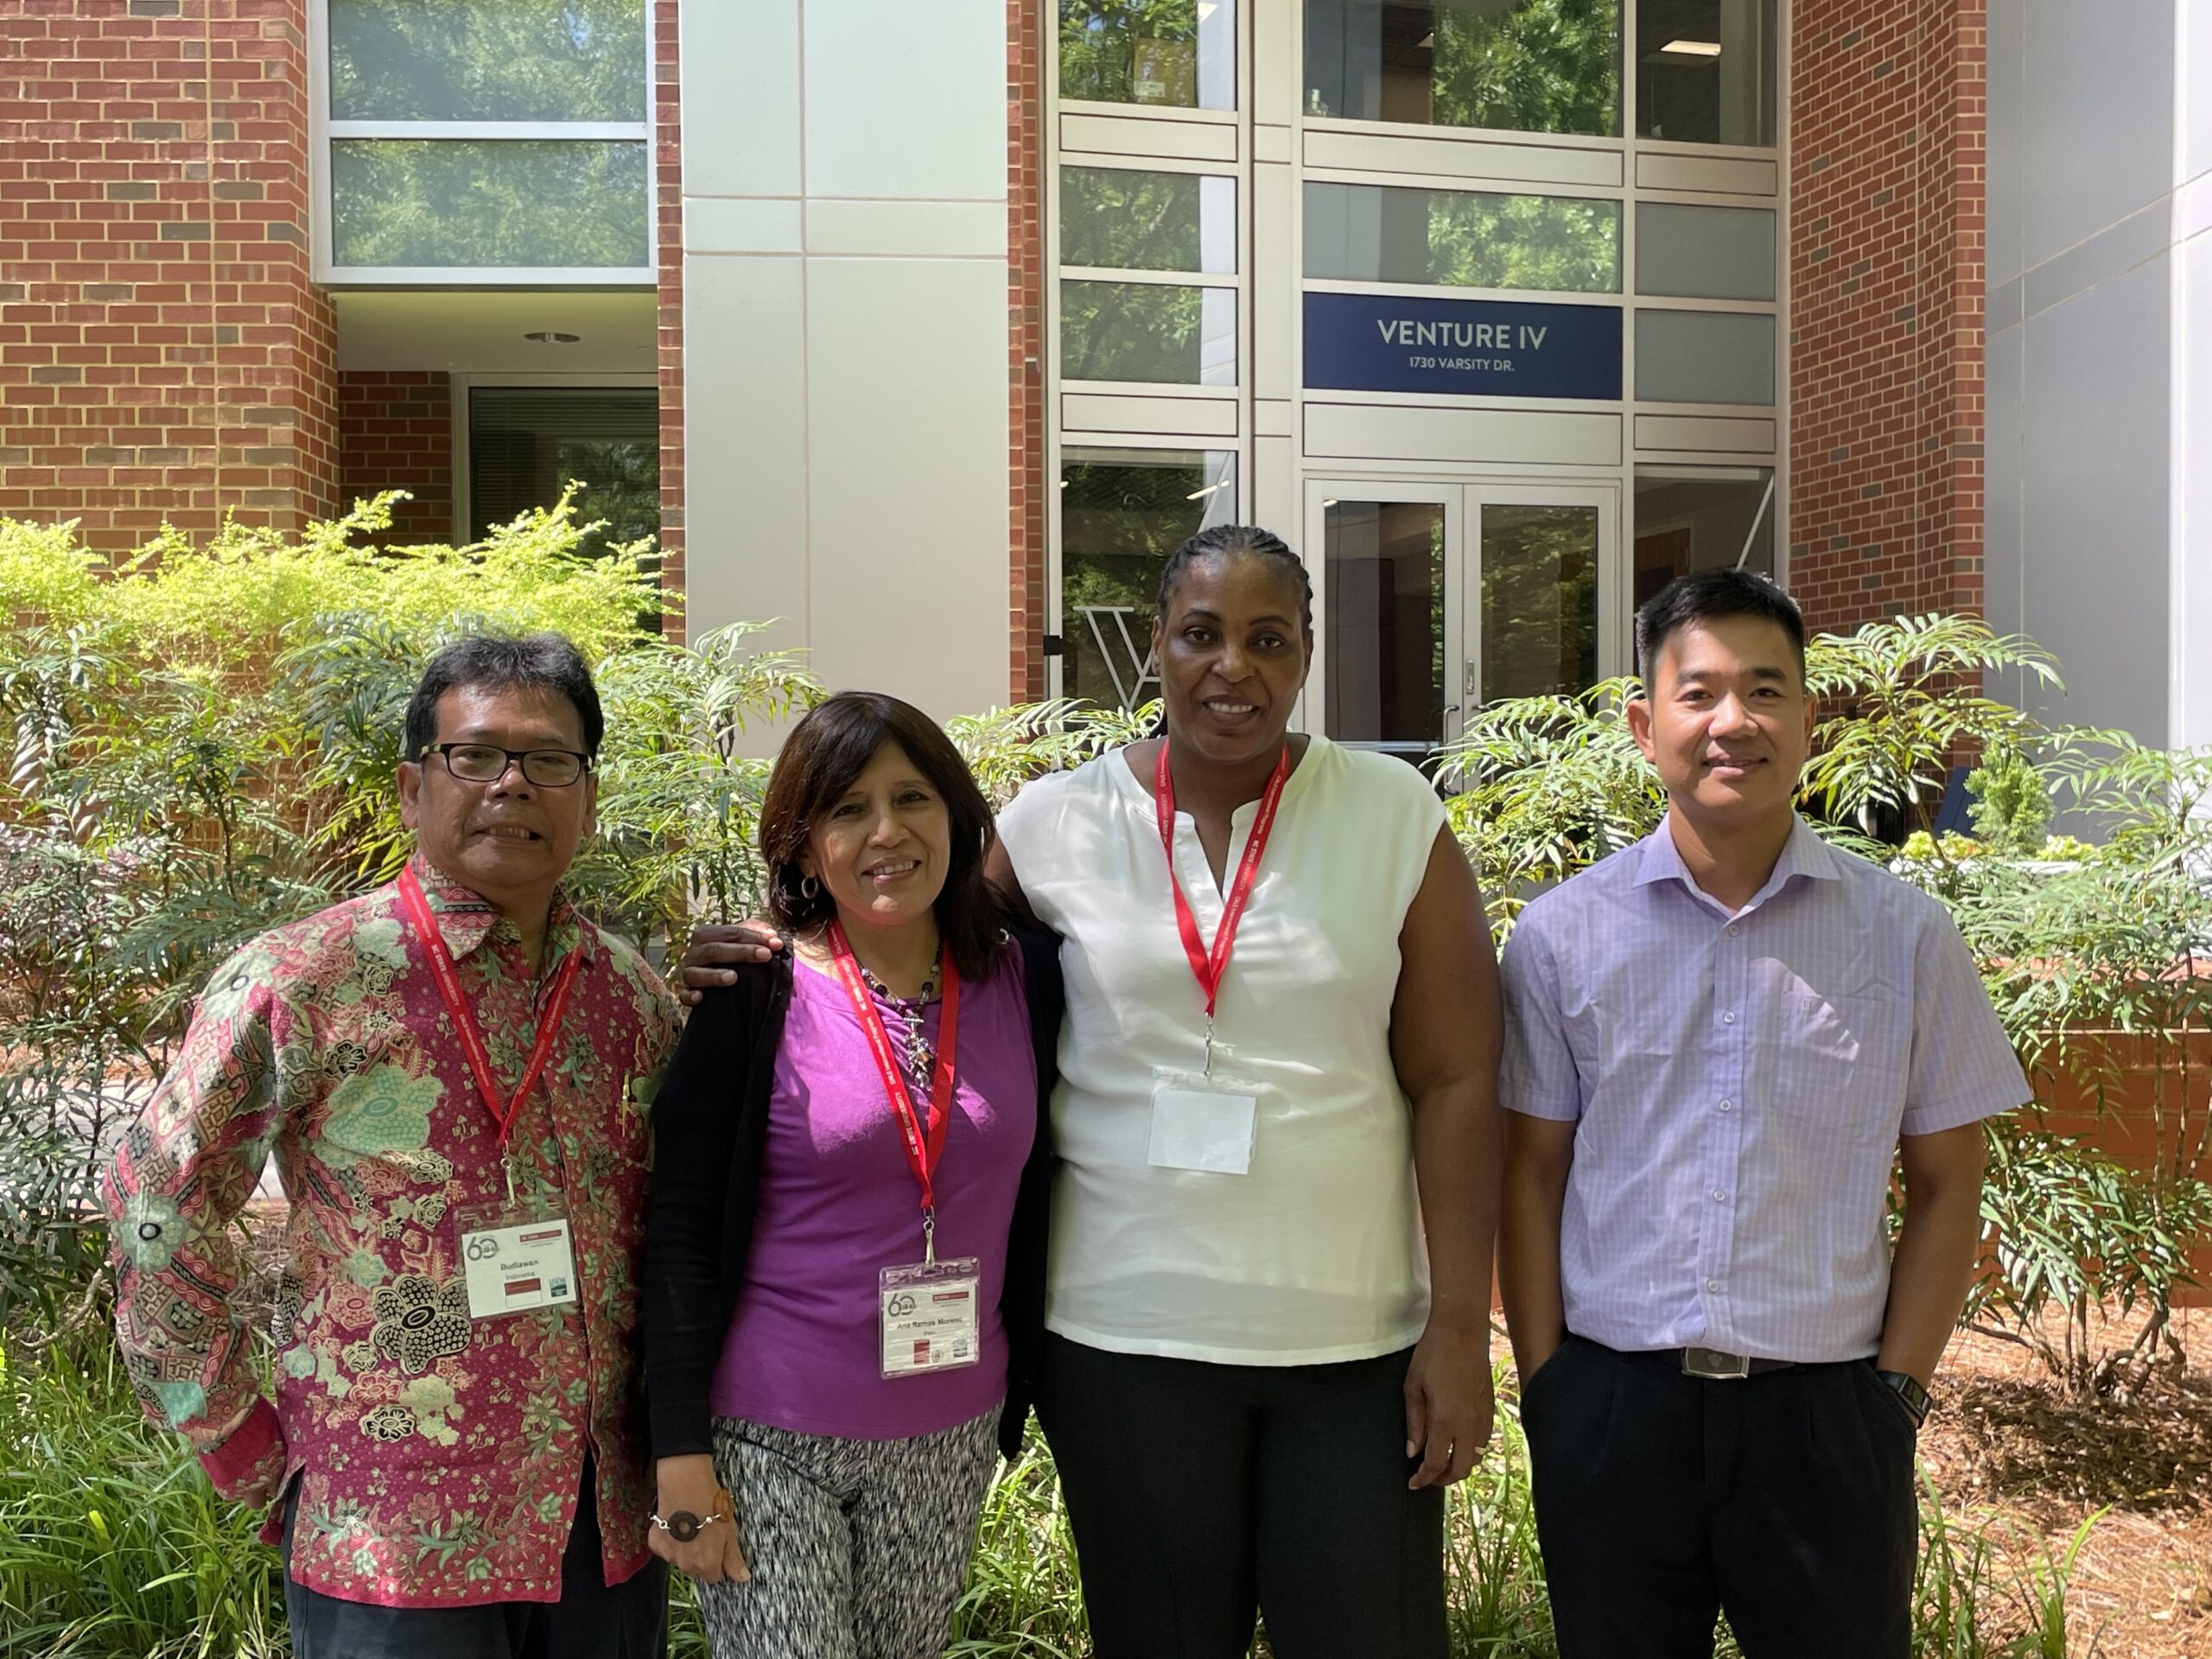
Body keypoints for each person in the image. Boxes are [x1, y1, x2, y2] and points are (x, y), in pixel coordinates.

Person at [682, 524, 1503, 1659]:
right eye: (1202, 635)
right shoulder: (1054, 821)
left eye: (1269, 640)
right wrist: (769, 945)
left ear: (1306, 655)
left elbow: (1459, 1076)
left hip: (1351, 1346)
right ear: (1155, 649)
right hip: (1123, 1340)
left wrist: (1460, 1327)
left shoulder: (1393, 814)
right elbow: (906, 932)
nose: (1235, 667)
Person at [101, 633, 677, 1659]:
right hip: (391, 1532)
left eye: (549, 759)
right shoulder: (306, 977)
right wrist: (230, 1432)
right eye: (476, 755)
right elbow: (159, 1195)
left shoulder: (628, 995)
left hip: (600, 1522)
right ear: (414, 790)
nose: (512, 784)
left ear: (587, 794)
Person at [1496, 569, 2029, 1659]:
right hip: (1613, 1408)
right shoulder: (1561, 937)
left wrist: (1898, 1399)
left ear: (1806, 720)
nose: (1731, 722)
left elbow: (1946, 1182)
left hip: (1827, 1418)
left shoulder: (1904, 938)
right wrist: (1548, 1386)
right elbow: (1531, 1172)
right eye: (1697, 694)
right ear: (1645, 726)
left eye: (1765, 690)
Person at [641, 691, 1063, 1659]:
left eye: (912, 799)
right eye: (846, 809)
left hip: (950, 1426)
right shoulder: (751, 991)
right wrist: (679, 1454)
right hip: (769, 1432)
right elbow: (680, 1230)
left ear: (956, 817)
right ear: (799, 845)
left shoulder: (1026, 979)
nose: (887, 832)